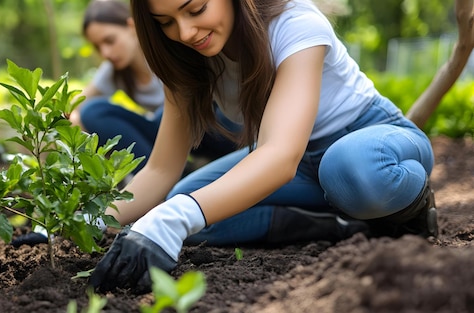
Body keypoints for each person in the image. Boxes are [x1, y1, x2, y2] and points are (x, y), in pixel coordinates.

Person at [88, 0, 438, 293]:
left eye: (195, 9)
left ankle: (411, 205)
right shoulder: (187, 56)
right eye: (165, 22)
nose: (184, 32)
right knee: (193, 200)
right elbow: (161, 169)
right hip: (301, 164)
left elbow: (279, 155)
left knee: (352, 170)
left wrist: (176, 218)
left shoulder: (293, 22)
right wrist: (81, 219)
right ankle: (339, 224)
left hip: (372, 139)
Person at [11, 0, 240, 248]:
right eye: (98, 47)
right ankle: (172, 183)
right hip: (173, 139)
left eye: (110, 40)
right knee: (95, 112)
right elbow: (78, 104)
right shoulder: (118, 71)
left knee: (164, 116)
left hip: (218, 129)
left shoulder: (176, 52)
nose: (106, 52)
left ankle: (180, 182)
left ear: (133, 27)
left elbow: (279, 154)